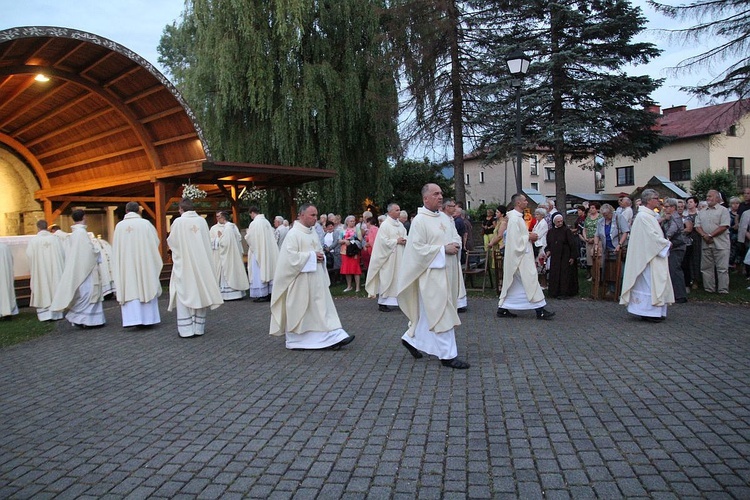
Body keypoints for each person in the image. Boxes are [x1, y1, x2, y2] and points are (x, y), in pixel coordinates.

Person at [397, 183, 469, 369]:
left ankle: (410, 338)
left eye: (441, 193)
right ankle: (448, 355)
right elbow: (416, 249)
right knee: (441, 312)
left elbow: (455, 236)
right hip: (432, 275)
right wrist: (442, 250)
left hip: (448, 271)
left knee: (430, 313)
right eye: (435, 194)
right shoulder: (419, 221)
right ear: (425, 198)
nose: (440, 196)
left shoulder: (445, 218)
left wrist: (456, 243)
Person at [270, 203, 354, 350]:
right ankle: (298, 341)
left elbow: (319, 251)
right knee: (303, 311)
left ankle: (333, 337)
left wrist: (320, 257)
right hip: (300, 281)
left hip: (316, 279)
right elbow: (289, 259)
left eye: (316, 215)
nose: (315, 218)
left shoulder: (312, 232)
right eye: (312, 215)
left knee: (322, 310)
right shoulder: (293, 234)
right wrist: (311, 256)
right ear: (301, 215)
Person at [167, 199, 223, 338]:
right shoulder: (201, 222)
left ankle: (186, 330)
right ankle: (199, 328)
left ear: (181, 209)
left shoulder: (178, 222)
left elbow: (172, 242)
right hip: (202, 263)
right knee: (200, 291)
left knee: (185, 291)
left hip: (185, 264)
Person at [497, 193, 556, 320]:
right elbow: (513, 239)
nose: (527, 202)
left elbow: (519, 234)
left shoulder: (517, 217)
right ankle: (539, 310)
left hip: (522, 254)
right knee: (530, 280)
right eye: (524, 200)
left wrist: (528, 235)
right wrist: (529, 236)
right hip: (520, 257)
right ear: (518, 203)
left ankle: (503, 308)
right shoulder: (514, 218)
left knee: (517, 284)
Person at [620, 189, 674, 322]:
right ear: (649, 200)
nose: (658, 200)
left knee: (654, 283)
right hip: (647, 258)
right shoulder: (643, 217)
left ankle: (655, 311)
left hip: (653, 256)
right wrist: (665, 243)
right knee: (649, 284)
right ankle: (649, 312)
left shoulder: (649, 215)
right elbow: (651, 237)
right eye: (656, 198)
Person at [50, 210, 105, 328]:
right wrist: (97, 251)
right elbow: (88, 251)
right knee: (88, 293)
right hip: (86, 269)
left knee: (86, 293)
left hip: (81, 267)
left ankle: (85, 319)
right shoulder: (80, 233)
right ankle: (84, 319)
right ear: (84, 217)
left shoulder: (75, 233)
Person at [112, 202, 163, 327]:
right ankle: (148, 319)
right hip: (143, 263)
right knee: (145, 285)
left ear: (126, 211)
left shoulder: (119, 226)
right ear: (138, 211)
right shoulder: (145, 224)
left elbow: (116, 248)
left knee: (130, 286)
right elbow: (155, 241)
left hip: (126, 265)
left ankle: (133, 320)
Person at [365, 202, 407, 312]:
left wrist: (404, 240)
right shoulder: (385, 225)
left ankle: (399, 302)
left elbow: (405, 235)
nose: (399, 212)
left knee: (398, 279)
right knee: (387, 278)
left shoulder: (400, 225)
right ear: (390, 212)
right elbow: (382, 242)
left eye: (399, 209)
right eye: (397, 210)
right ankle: (382, 302)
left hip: (400, 256)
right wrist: (396, 241)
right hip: (389, 257)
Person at [25, 220, 65, 321]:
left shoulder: (34, 241)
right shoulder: (55, 239)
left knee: (43, 287)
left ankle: (45, 315)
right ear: (47, 227)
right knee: (55, 287)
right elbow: (62, 253)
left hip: (41, 271)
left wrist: (36, 266)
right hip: (54, 270)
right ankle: (57, 314)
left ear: (37, 227)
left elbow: (30, 255)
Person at [695, 189, 731, 294]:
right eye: (707, 196)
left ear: (717, 198)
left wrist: (710, 235)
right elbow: (697, 226)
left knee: (722, 268)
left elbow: (724, 226)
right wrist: (704, 235)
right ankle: (709, 289)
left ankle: (723, 290)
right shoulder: (702, 211)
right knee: (706, 268)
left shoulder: (723, 210)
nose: (707, 198)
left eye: (710, 196)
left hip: (721, 244)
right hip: (706, 244)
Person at [210, 211, 249, 301]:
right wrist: (218, 239)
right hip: (220, 257)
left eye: (219, 216)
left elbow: (238, 238)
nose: (217, 218)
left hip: (230, 255)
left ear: (223, 217)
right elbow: (210, 241)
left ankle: (234, 293)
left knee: (231, 272)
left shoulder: (231, 227)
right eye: (216, 217)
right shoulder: (214, 228)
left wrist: (220, 238)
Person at [592, 203, 629, 296]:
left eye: (607, 215)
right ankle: (611, 289)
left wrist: (620, 244)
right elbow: (596, 234)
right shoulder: (601, 221)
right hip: (607, 249)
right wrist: (596, 244)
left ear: (611, 212)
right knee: (608, 269)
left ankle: (622, 290)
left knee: (621, 270)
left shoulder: (618, 218)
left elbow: (625, 231)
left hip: (619, 248)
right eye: (603, 215)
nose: (605, 216)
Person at [245, 207, 278, 302]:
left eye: (250, 214)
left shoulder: (254, 223)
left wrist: (247, 235)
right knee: (268, 269)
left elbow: (251, 238)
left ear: (252, 213)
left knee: (258, 271)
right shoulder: (266, 222)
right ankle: (269, 292)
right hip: (268, 251)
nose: (250, 216)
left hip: (258, 252)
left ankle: (262, 293)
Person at [544, 214, 579, 299]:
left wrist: (572, 256)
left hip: (565, 256)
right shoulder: (550, 232)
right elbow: (549, 244)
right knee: (555, 274)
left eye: (561, 221)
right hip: (555, 257)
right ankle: (554, 292)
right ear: (554, 222)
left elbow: (572, 244)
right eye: (558, 222)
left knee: (564, 275)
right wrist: (548, 251)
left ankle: (564, 293)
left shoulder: (566, 231)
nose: (560, 223)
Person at [660, 198, 688, 304]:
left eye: (667, 207)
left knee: (675, 269)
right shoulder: (668, 217)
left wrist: (666, 238)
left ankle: (680, 295)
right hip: (672, 247)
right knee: (672, 270)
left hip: (677, 247)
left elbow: (672, 230)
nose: (665, 209)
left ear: (673, 207)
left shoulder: (675, 217)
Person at [340, 215, 362, 292]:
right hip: (344, 251)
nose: (353, 222)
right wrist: (344, 241)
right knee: (347, 269)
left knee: (355, 268)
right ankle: (349, 286)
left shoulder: (357, 229)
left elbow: (360, 239)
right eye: (351, 221)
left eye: (353, 221)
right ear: (347, 222)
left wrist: (351, 241)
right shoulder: (343, 230)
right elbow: (339, 240)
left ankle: (357, 287)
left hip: (354, 250)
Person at [0, 242, 18, 319]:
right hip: (5, 273)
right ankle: (7, 312)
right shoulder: (5, 247)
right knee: (6, 292)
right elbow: (11, 260)